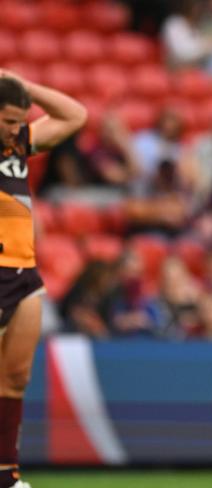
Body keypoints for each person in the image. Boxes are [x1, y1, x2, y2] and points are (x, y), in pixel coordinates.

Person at [0, 70, 87, 488]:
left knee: (16, 377)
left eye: (20, 120)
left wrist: (25, 88)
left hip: (23, 273)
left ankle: (6, 475)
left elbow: (74, 116)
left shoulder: (18, 144)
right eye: (8, 120)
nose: (16, 128)